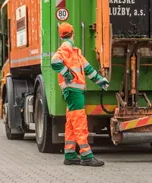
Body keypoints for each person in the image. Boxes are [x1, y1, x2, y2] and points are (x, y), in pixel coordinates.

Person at [51, 22, 109, 167]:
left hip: (72, 91)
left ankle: (70, 154)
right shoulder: (66, 49)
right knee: (79, 122)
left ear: (61, 35)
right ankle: (86, 155)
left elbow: (88, 69)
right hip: (73, 91)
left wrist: (100, 81)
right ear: (73, 33)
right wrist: (68, 74)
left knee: (71, 123)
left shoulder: (75, 52)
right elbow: (54, 62)